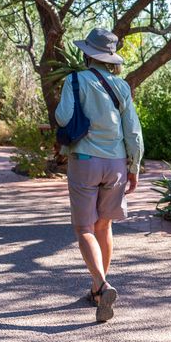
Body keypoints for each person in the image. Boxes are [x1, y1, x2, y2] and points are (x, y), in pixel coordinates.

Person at [55, 27, 144, 323]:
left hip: (85, 160)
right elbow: (132, 130)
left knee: (84, 229)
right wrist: (134, 167)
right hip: (116, 162)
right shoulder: (121, 86)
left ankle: (103, 285)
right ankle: (96, 291)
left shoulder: (74, 80)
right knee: (104, 226)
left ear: (86, 53)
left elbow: (64, 118)